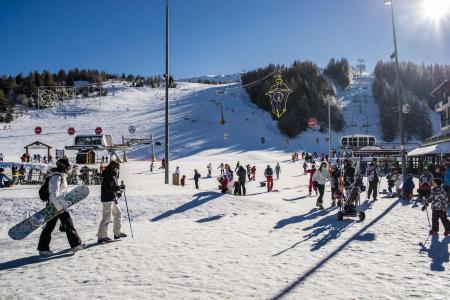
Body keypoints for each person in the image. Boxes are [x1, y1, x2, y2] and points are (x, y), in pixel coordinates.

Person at [37, 158, 85, 255]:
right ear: (63, 167)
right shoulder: (56, 177)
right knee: (67, 223)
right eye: (68, 167)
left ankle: (43, 248)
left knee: (51, 226)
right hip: (56, 206)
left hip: (57, 205)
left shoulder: (59, 176)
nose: (69, 169)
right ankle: (76, 245)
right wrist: (60, 208)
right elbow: (53, 194)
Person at [98, 161, 127, 243]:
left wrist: (118, 192)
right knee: (106, 218)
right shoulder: (109, 175)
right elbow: (108, 188)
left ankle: (117, 233)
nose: (118, 169)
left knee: (118, 214)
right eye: (117, 167)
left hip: (112, 199)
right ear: (113, 167)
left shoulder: (113, 175)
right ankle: (102, 237)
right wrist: (118, 188)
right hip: (107, 200)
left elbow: (112, 188)